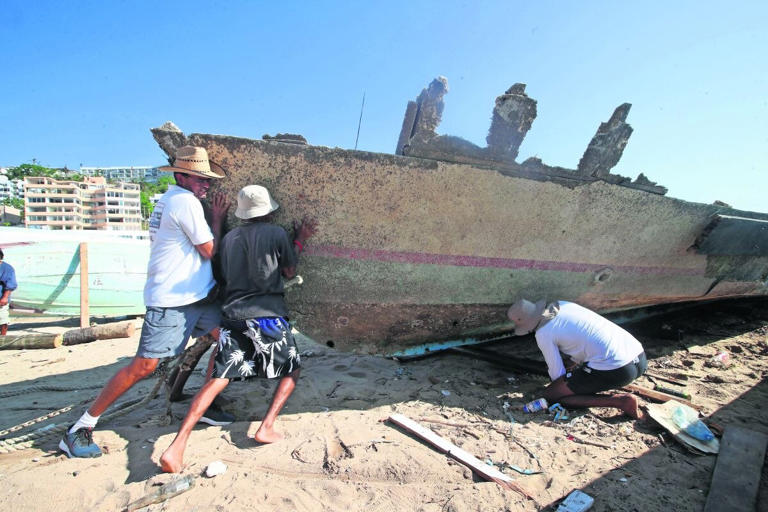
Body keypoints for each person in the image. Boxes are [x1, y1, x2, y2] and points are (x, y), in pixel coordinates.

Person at [59, 146, 231, 458]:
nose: (206, 185)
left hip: (196, 296)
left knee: (227, 340)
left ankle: (206, 404)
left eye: (208, 180)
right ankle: (81, 426)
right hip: (173, 300)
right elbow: (210, 251)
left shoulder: (170, 200)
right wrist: (218, 219)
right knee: (145, 365)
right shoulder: (184, 202)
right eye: (199, 179)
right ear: (180, 176)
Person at [160, 184, 316, 473]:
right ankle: (266, 427)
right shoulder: (277, 234)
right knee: (292, 370)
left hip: (232, 314)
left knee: (219, 377)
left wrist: (218, 220)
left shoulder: (230, 237)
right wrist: (300, 239)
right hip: (267, 315)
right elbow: (289, 271)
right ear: (269, 212)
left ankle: (177, 445)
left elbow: (217, 266)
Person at [507, 298, 647, 419]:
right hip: (638, 356)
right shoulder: (562, 304)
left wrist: (559, 386)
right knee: (578, 375)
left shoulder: (543, 333)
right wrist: (574, 365)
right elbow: (585, 336)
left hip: (617, 369)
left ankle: (621, 402)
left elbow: (556, 371)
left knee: (552, 394)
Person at [0, 248, 18, 336]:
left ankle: (3, 337)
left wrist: (4, 297)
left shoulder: (7, 268)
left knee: (2, 318)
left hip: (1, 297)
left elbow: (11, 284)